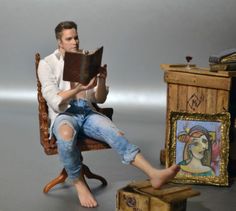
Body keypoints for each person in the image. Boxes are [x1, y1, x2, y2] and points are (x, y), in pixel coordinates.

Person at [38, 21, 179, 208]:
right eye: (69, 38)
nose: (75, 42)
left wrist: (102, 80)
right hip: (64, 113)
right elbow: (53, 99)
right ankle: (79, 183)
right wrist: (78, 88)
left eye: (76, 37)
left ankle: (154, 174)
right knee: (65, 135)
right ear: (60, 42)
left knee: (114, 132)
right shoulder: (47, 63)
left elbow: (100, 98)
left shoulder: (85, 59)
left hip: (87, 111)